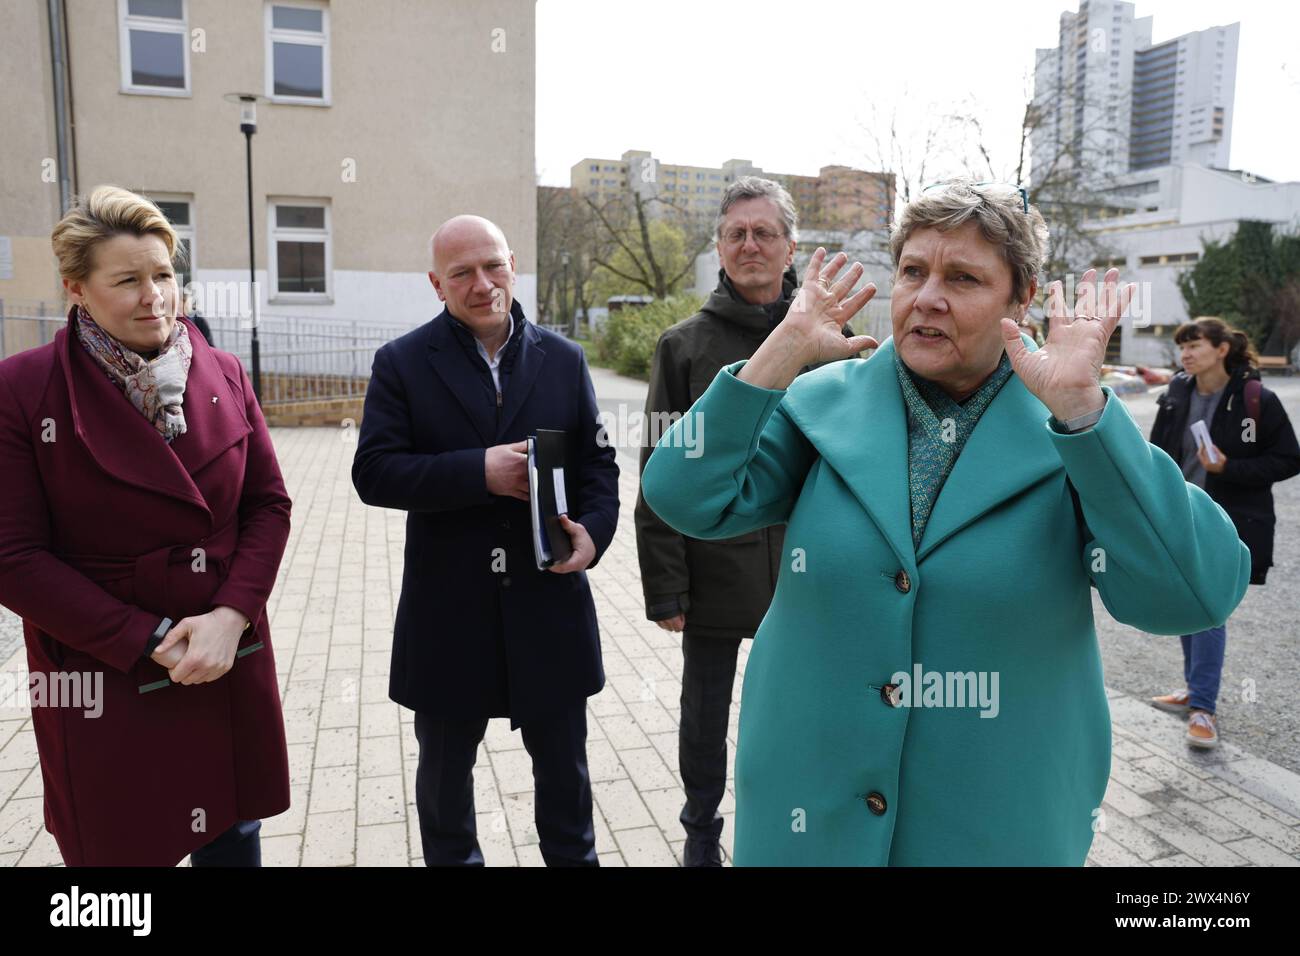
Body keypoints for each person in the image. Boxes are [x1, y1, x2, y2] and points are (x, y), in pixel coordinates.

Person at [640, 180, 1251, 865]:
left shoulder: (1072, 432)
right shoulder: (820, 405)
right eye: (913, 271)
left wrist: (1085, 413)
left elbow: (1193, 595)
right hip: (809, 815)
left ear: (1021, 299)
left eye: (962, 278)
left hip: (994, 827)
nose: (928, 297)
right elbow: (684, 494)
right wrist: (783, 348)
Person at [0, 185, 292, 866]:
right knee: (118, 858)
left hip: (224, 654)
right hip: (106, 669)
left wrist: (231, 616)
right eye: (127, 280)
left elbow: (268, 505)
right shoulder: (22, 391)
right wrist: (146, 640)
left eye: (163, 274)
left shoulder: (223, 369)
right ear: (78, 288)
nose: (153, 295)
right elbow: (13, 556)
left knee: (232, 834)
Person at [351, 215, 619, 866]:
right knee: (445, 784)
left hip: (547, 603)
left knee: (566, 782)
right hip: (450, 612)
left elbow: (598, 466)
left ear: (513, 265)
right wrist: (479, 471)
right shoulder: (402, 363)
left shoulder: (564, 358)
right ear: (436, 283)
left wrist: (594, 537)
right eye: (462, 272)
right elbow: (374, 472)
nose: (481, 283)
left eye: (493, 265)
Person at [634, 176, 856, 867]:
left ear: (792, 248)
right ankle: (701, 833)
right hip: (714, 573)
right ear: (720, 250)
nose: (751, 244)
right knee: (705, 717)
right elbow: (658, 471)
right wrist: (666, 586)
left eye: (765, 232)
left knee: (805, 712)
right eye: (737, 233)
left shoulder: (837, 341)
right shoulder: (684, 346)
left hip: (812, 573)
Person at [1147, 317, 1300, 747]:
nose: (1186, 354)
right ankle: (1195, 691)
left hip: (1227, 523)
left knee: (1209, 610)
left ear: (1221, 349)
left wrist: (1228, 468)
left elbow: (1289, 458)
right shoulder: (1178, 392)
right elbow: (1156, 451)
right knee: (1186, 604)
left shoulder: (1255, 399)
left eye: (1194, 344)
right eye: (1182, 347)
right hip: (1179, 517)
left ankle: (1204, 710)